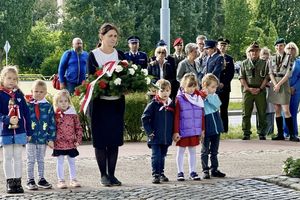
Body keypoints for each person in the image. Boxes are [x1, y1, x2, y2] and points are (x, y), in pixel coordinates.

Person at [87, 23, 125, 187]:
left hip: (116, 104)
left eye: (115, 36)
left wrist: (127, 87)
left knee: (114, 140)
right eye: (110, 35)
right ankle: (103, 174)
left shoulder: (120, 54)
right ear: (101, 37)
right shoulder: (93, 55)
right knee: (101, 141)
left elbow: (127, 77)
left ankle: (112, 174)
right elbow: (91, 79)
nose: (113, 39)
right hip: (99, 105)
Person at [0, 66, 32, 194]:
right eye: (9, 78)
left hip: (20, 132)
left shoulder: (19, 95)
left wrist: (29, 131)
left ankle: (18, 183)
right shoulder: (0, 94)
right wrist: (7, 119)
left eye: (14, 79)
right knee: (7, 157)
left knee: (18, 157)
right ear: (3, 79)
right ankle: (10, 183)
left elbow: (26, 114)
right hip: (5, 131)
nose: (11, 81)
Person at [141, 79, 174, 184]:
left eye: (167, 90)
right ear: (156, 92)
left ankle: (161, 173)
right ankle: (155, 174)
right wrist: (149, 132)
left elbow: (174, 120)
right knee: (156, 155)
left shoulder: (171, 105)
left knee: (163, 155)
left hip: (166, 136)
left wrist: (173, 132)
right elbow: (144, 118)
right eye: (162, 90)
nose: (165, 93)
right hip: (155, 136)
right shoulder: (153, 104)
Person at [173, 73, 205, 181]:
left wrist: (202, 130)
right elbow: (176, 117)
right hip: (183, 131)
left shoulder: (198, 98)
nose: (191, 89)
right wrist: (176, 132)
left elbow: (201, 115)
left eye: (193, 86)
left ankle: (192, 171)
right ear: (183, 87)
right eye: (189, 86)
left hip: (194, 131)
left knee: (193, 152)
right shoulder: (179, 99)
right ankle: (180, 172)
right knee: (181, 152)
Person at [26, 80, 56, 190]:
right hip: (30, 138)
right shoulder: (28, 106)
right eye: (36, 91)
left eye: (41, 92)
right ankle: (30, 180)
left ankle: (41, 179)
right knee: (30, 159)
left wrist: (51, 138)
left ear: (45, 93)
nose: (38, 93)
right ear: (31, 92)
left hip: (43, 138)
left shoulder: (48, 106)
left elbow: (52, 123)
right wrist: (25, 134)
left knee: (41, 159)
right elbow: (25, 121)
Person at [269, 41, 299, 142]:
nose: (279, 47)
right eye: (277, 46)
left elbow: (288, 74)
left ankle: (292, 135)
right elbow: (270, 72)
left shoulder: (289, 58)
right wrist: (275, 84)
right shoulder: (272, 58)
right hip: (274, 84)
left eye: (281, 45)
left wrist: (278, 85)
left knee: (286, 110)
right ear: (275, 47)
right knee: (277, 110)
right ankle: (280, 134)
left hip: (283, 84)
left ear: (283, 46)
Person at [52, 89, 83, 189]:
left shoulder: (73, 114)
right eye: (61, 101)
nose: (64, 103)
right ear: (56, 103)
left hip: (71, 142)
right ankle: (60, 180)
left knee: (72, 161)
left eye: (66, 101)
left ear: (69, 101)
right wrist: (51, 140)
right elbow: (52, 127)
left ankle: (73, 179)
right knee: (60, 161)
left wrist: (78, 139)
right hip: (59, 142)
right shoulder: (55, 115)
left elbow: (78, 127)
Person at [239, 42, 269, 140]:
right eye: (252, 51)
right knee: (246, 113)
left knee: (262, 112)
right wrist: (248, 88)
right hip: (248, 90)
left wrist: (260, 88)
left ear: (259, 52)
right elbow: (241, 78)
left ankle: (262, 133)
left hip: (260, 90)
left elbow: (267, 77)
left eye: (256, 51)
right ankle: (246, 133)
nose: (254, 53)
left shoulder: (264, 63)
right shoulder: (244, 63)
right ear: (249, 52)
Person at [201, 73, 225, 179]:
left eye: (215, 87)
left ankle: (214, 168)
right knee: (205, 150)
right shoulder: (200, 97)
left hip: (216, 126)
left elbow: (217, 105)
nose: (215, 89)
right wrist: (203, 96)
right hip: (206, 126)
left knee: (214, 150)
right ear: (205, 86)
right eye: (212, 87)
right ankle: (205, 169)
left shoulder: (214, 96)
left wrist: (208, 96)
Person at [254, 47, 275, 136]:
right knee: (260, 110)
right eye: (263, 58)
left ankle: (269, 131)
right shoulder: (257, 65)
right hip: (260, 89)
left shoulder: (272, 66)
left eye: (267, 58)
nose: (265, 60)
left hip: (270, 90)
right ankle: (260, 130)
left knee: (270, 110)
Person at [217, 38, 235, 133]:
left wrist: (223, 83)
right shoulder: (214, 57)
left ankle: (224, 129)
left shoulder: (229, 59)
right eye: (221, 45)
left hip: (225, 87)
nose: (222, 47)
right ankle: (216, 128)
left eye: (224, 46)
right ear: (218, 46)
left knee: (224, 109)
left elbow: (230, 73)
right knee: (214, 109)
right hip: (214, 87)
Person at [284, 42, 300, 137]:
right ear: (285, 50)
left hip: (296, 90)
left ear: (296, 50)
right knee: (284, 111)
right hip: (284, 90)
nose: (290, 50)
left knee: (293, 111)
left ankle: (294, 133)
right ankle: (285, 132)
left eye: (293, 48)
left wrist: (294, 87)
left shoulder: (299, 62)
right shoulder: (282, 61)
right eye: (288, 48)